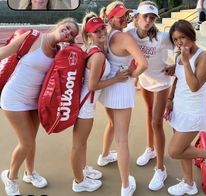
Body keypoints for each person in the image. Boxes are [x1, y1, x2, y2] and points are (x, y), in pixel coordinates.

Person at [98, 1, 175, 192]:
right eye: (145, 16)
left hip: (161, 82)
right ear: (137, 17)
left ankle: (161, 169)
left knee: (157, 123)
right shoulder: (130, 32)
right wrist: (135, 76)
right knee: (149, 115)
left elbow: (185, 44)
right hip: (145, 80)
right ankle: (150, 149)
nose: (148, 20)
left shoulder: (163, 37)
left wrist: (176, 65)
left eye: (152, 17)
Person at [0, 17, 79, 196]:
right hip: (14, 97)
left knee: (31, 141)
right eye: (67, 28)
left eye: (71, 34)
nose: (67, 33)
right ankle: (10, 177)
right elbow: (3, 53)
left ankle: (30, 173)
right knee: (26, 142)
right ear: (60, 24)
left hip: (36, 101)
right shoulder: (32, 37)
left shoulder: (59, 51)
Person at [71, 12, 130, 193]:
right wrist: (117, 79)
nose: (102, 32)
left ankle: (83, 169)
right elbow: (93, 85)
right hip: (85, 104)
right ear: (89, 35)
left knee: (82, 142)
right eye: (96, 31)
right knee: (78, 144)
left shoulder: (97, 50)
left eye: (102, 28)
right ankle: (78, 181)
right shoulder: (98, 56)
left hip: (87, 104)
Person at [166, 19, 206, 195]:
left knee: (175, 151)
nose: (179, 42)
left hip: (193, 111)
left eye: (182, 37)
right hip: (179, 108)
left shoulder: (204, 57)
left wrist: (185, 61)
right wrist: (169, 99)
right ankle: (188, 184)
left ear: (191, 34)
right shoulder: (180, 56)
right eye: (175, 39)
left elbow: (194, 86)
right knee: (184, 149)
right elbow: (178, 79)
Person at [98, 2, 148, 196]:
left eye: (126, 15)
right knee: (122, 141)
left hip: (109, 87)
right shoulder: (124, 36)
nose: (124, 18)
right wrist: (134, 75)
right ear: (110, 18)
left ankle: (103, 156)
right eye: (120, 16)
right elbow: (143, 64)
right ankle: (126, 185)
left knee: (111, 124)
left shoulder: (106, 34)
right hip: (121, 89)